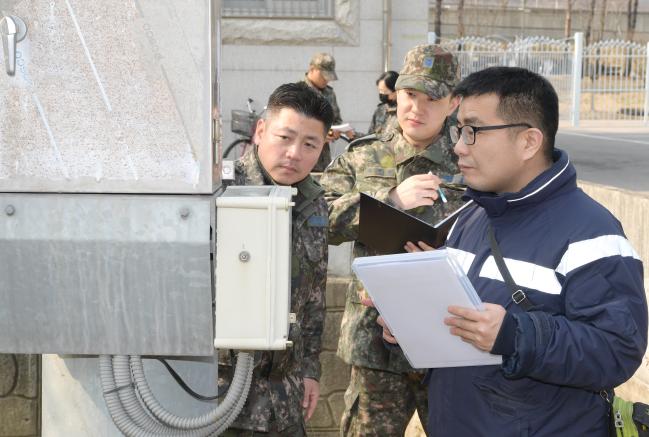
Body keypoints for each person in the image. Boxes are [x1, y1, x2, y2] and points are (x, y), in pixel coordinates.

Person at [379, 66, 648, 436]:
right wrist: (410, 325)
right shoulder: (469, 217)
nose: (458, 146)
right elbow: (458, 327)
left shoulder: (593, 233)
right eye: (459, 130)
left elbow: (616, 351)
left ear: (529, 142)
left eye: (473, 131)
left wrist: (514, 335)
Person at [320, 44, 464, 436]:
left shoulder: (471, 161)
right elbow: (318, 220)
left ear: (453, 103)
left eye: (432, 98)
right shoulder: (365, 156)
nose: (416, 108)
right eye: (409, 95)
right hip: (375, 341)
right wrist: (389, 201)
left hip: (451, 339)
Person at [219, 82, 334, 436]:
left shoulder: (314, 203)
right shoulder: (219, 192)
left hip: (283, 400)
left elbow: (314, 298)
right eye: (285, 137)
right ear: (260, 131)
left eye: (310, 144)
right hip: (218, 399)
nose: (294, 153)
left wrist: (311, 370)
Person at [302, 52, 353, 172]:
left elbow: (336, 120)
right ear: (312, 69)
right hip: (302, 155)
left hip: (322, 156)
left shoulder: (329, 93)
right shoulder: (298, 91)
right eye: (324, 75)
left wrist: (335, 131)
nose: (327, 80)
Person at [367, 70, 399, 136]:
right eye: (380, 90)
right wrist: (353, 135)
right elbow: (370, 136)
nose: (382, 94)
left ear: (396, 91)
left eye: (385, 91)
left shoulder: (404, 111)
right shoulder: (380, 110)